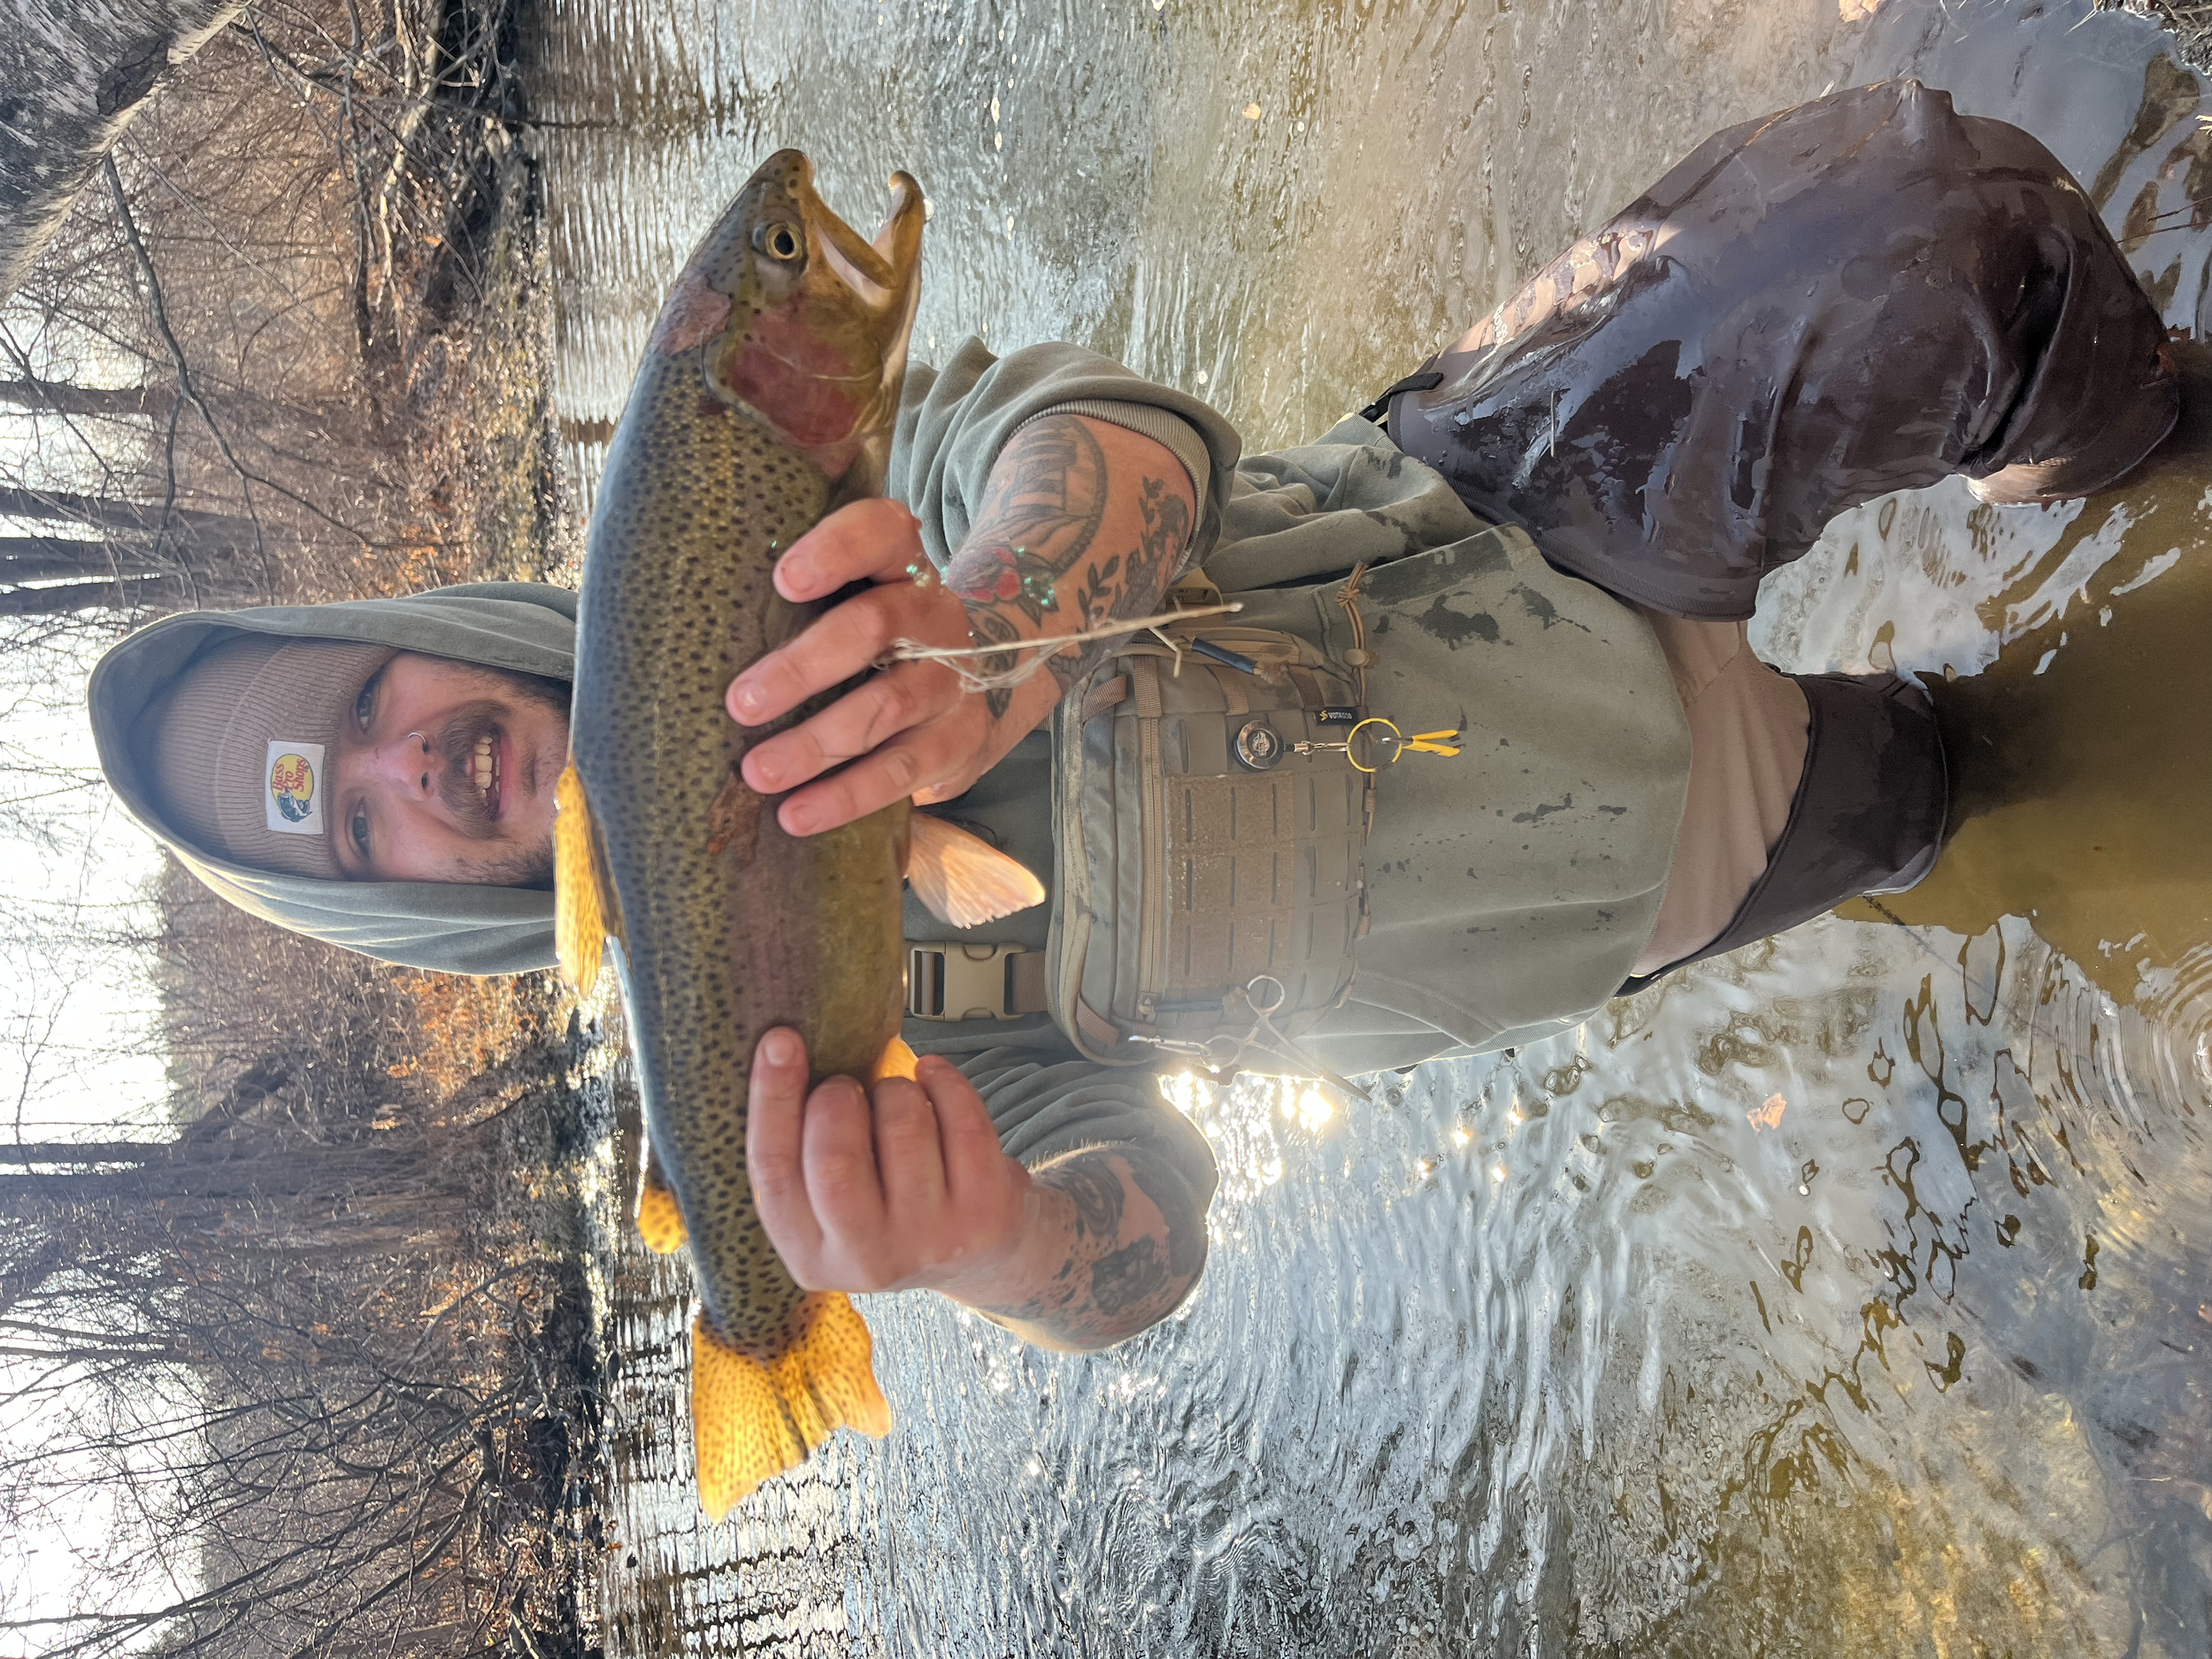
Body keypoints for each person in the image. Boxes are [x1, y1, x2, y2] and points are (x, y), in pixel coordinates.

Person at [88, 81, 2177, 1351]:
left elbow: (1094, 424)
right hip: (1633, 876)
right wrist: (1003, 1246)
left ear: (419, 638)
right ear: (396, 909)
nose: (409, 764)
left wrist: (993, 620)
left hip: (1512, 502)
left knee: (1927, 245)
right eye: (340, 819)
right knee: (1996, 790)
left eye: (362, 705)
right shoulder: (761, 1043)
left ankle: (2128, 441)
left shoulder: (743, 537)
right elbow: (1145, 1234)